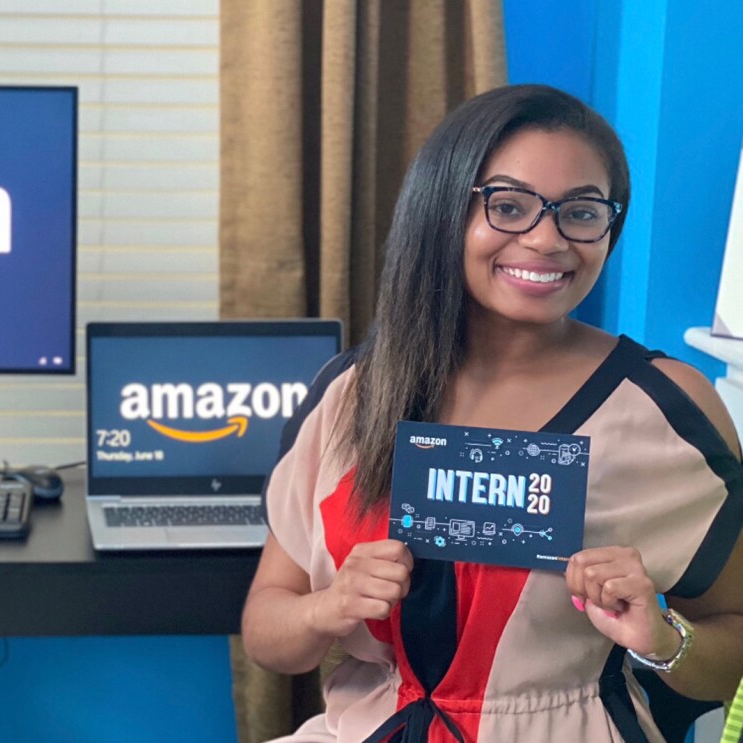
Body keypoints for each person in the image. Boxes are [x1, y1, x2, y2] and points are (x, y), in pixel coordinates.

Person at [241, 84, 743, 742]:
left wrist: (661, 632)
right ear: (443, 209)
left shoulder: (668, 406)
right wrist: (328, 609)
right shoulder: (351, 394)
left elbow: (729, 651)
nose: (546, 238)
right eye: (507, 206)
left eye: (582, 212)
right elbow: (265, 630)